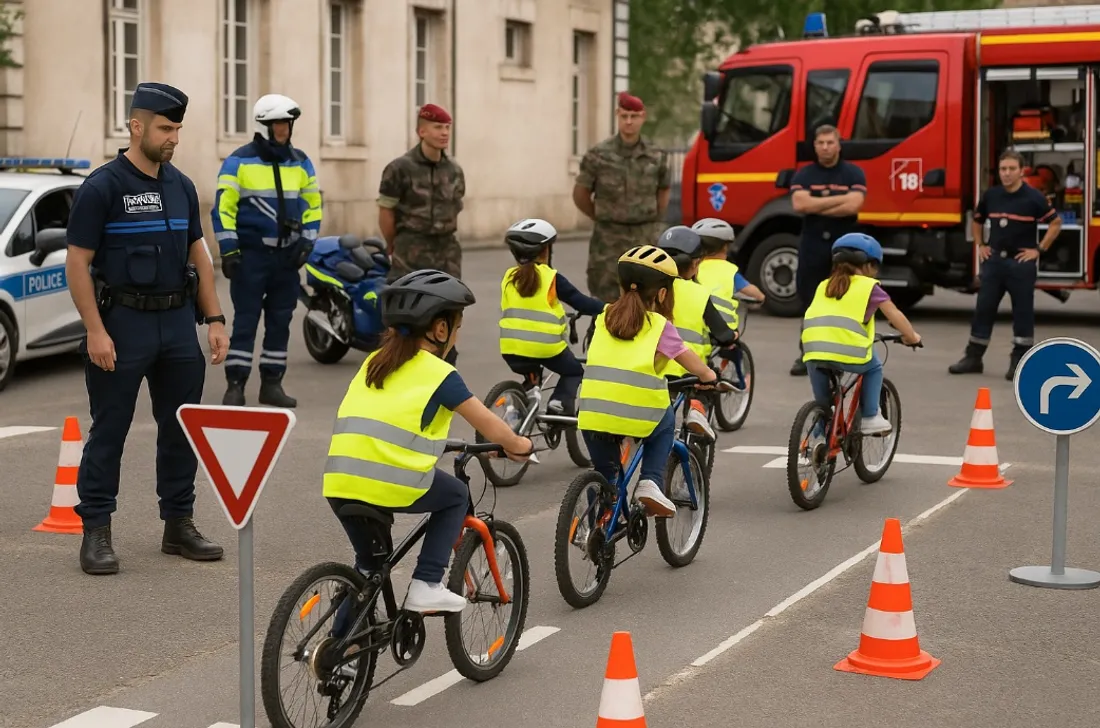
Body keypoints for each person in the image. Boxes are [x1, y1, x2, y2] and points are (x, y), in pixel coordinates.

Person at [64, 82, 229, 575]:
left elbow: (198, 254)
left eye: (177, 127)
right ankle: (96, 530)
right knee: (109, 430)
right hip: (123, 324)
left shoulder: (180, 185)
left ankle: (178, 524)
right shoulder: (103, 187)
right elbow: (78, 263)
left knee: (181, 428)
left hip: (178, 324)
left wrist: (216, 318)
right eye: (164, 127)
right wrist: (95, 329)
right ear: (136, 127)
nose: (172, 136)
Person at [323, 269, 533, 612]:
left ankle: (340, 655)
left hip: (340, 480)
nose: (456, 337)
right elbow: (490, 426)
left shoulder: (374, 363)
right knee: (455, 494)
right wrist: (520, 445)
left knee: (369, 572)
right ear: (440, 329)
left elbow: (391, 418)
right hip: (388, 481)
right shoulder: (440, 374)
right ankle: (427, 582)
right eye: (457, 328)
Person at [577, 245, 719, 517]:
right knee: (666, 419)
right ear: (663, 293)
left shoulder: (603, 317)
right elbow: (690, 361)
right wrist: (710, 376)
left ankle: (599, 526)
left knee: (607, 476)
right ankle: (651, 481)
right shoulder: (658, 325)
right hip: (638, 413)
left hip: (591, 412)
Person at [212, 93, 322, 409]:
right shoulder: (238, 161)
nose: (284, 129)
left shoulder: (300, 161)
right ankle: (236, 386)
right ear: (264, 126)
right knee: (245, 321)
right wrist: (229, 250)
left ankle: (272, 384)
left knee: (280, 321)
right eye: (278, 124)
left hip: (286, 259)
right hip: (251, 257)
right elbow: (223, 208)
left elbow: (313, 204)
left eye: (287, 123)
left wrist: (307, 243)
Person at [949, 149, 1061, 380]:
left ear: (1021, 171)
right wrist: (980, 245)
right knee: (984, 309)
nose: (1007, 174)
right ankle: (973, 357)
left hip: (1021, 264)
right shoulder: (991, 196)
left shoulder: (1034, 198)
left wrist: (1038, 250)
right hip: (994, 263)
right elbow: (977, 221)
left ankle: (1019, 360)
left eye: (1011, 169)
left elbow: (1055, 223)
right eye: (1003, 169)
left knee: (1022, 313)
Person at [800, 233, 921, 435]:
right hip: (848, 353)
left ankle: (817, 442)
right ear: (868, 265)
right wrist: (912, 337)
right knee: (874, 368)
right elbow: (895, 314)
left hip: (813, 351)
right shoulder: (868, 287)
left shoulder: (824, 285)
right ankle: (871, 416)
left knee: (824, 405)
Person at [378, 102, 465, 364]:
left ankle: (443, 373)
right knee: (404, 318)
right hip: (411, 251)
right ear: (422, 131)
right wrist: (394, 244)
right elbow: (386, 213)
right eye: (438, 127)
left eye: (447, 127)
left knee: (448, 315)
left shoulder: (454, 171)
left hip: (446, 252)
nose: (444, 133)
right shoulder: (399, 169)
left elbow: (456, 207)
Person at [498, 218, 605, 415]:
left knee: (532, 376)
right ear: (545, 251)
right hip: (545, 348)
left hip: (511, 348)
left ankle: (517, 414)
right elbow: (580, 302)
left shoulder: (508, 277)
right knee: (574, 371)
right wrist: (608, 309)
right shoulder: (551, 278)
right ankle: (559, 403)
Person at [573, 92, 672, 303]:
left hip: (644, 236)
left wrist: (653, 217)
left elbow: (663, 189)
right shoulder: (598, 155)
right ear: (617, 115)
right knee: (605, 300)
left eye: (634, 116)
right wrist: (601, 216)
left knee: (646, 297)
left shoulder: (656, 155)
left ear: (643, 117)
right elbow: (580, 194)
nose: (629, 121)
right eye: (624, 115)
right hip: (608, 241)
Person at [789, 125, 867, 376]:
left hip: (845, 247)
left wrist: (818, 204)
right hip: (813, 246)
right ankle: (807, 354)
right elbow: (800, 203)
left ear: (839, 144)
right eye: (820, 143)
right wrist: (838, 202)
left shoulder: (853, 173)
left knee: (844, 301)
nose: (825, 147)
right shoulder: (804, 174)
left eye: (830, 142)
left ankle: (842, 355)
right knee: (811, 303)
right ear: (814, 145)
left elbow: (854, 205)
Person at [653, 225, 740, 442]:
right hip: (688, 369)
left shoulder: (651, 289)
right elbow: (722, 333)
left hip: (652, 365)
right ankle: (697, 410)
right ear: (695, 263)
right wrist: (732, 337)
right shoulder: (699, 293)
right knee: (708, 378)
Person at [690, 217, 767, 329]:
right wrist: (761, 298)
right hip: (724, 333)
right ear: (725, 247)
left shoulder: (692, 268)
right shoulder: (729, 271)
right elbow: (754, 293)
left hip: (695, 328)